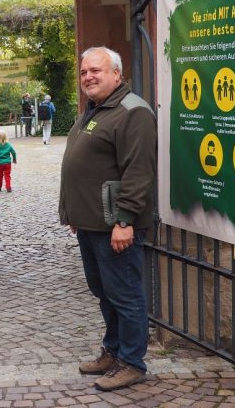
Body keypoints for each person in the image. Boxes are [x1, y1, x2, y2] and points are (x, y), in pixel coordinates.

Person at [59, 46, 156, 391]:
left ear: (117, 73)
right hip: (91, 224)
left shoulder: (133, 111)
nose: (88, 77)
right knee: (105, 292)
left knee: (126, 294)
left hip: (115, 225)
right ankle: (113, 351)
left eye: (96, 70)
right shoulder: (97, 110)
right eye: (84, 72)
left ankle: (132, 362)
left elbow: (138, 172)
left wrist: (125, 220)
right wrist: (72, 212)